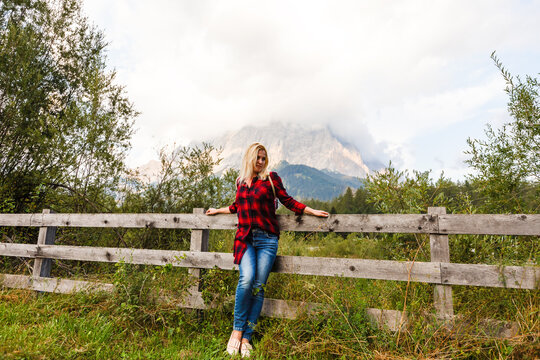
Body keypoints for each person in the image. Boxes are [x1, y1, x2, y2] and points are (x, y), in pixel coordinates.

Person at [206, 142, 329, 357]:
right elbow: (237, 206)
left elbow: (287, 200)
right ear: (249, 158)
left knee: (258, 286)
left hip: (267, 240)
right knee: (246, 280)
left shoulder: (271, 179)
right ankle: (236, 331)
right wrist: (218, 210)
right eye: (258, 158)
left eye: (264, 158)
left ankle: (247, 337)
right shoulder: (240, 182)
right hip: (245, 238)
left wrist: (310, 210)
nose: (261, 161)